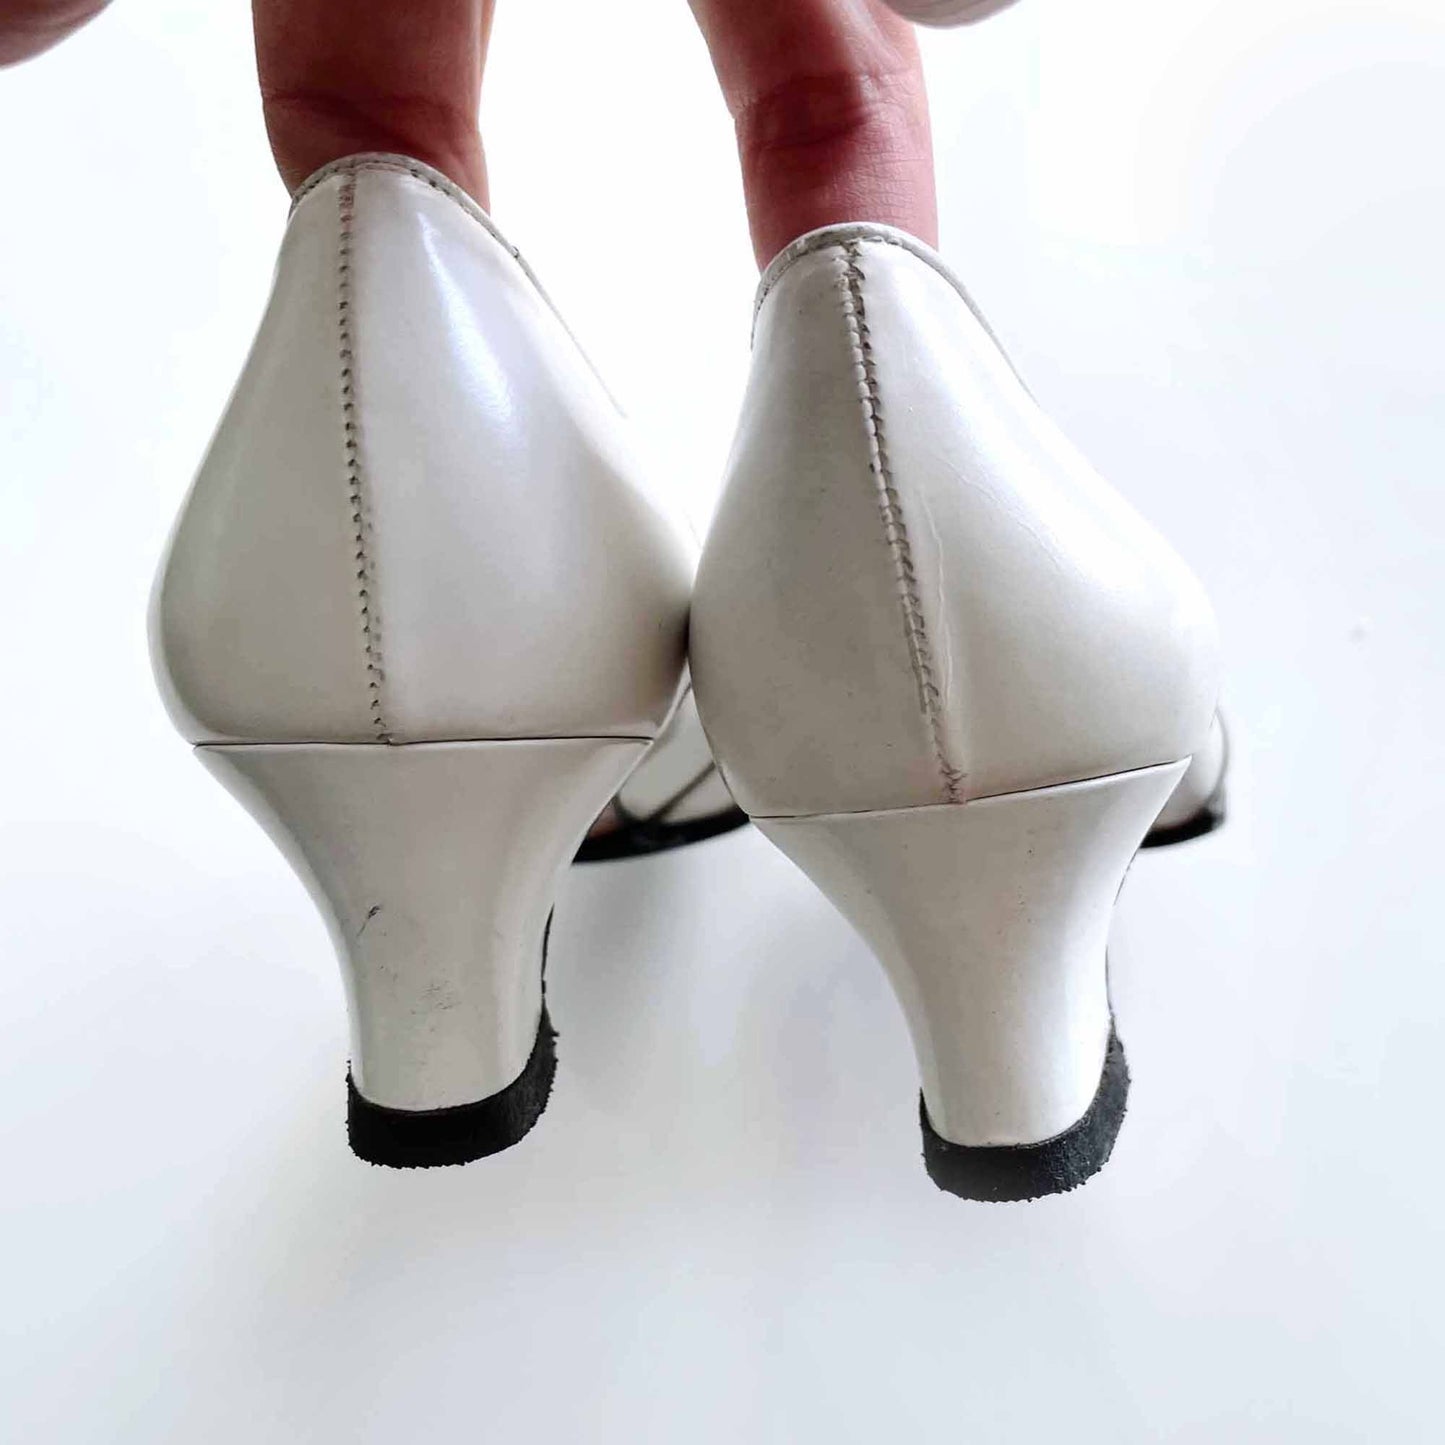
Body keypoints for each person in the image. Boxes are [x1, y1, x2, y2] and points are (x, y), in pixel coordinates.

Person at [7, 0, 1227, 1199]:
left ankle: (463, 909)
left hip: (268, 624)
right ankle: (964, 559)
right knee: (826, 110)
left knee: (365, 107)